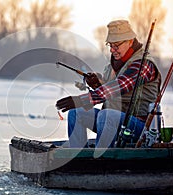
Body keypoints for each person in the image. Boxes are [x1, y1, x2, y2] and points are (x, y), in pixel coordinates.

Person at [56, 20, 161, 148]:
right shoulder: (114, 64)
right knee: (76, 113)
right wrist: (97, 83)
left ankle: (103, 159)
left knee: (107, 115)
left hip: (139, 128)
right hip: (112, 123)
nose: (112, 50)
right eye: (110, 45)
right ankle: (79, 156)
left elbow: (119, 86)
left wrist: (82, 100)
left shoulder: (143, 65)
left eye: (116, 45)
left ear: (130, 41)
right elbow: (107, 91)